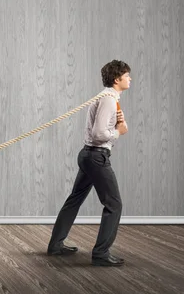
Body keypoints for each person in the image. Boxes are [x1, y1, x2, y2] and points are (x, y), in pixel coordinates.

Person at [47, 60, 131, 266]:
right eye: (127, 75)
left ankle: (55, 245)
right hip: (96, 157)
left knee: (74, 199)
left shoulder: (106, 97)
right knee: (114, 204)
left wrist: (117, 126)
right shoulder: (109, 100)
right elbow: (99, 134)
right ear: (116, 79)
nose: (130, 79)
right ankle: (101, 254)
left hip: (88, 156)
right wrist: (119, 132)